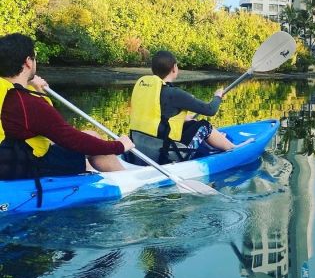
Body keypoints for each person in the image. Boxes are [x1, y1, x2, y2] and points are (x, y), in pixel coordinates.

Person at [0, 33, 134, 186]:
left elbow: (44, 126)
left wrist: (37, 88)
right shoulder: (26, 102)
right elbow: (70, 138)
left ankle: (97, 174)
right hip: (28, 166)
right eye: (34, 58)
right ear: (28, 62)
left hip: (12, 159)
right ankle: (128, 183)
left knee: (90, 135)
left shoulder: (12, 95)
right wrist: (119, 146)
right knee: (94, 146)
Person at [128, 50, 240, 164]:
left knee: (190, 123)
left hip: (139, 149)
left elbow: (157, 116)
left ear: (153, 69)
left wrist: (181, 118)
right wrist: (217, 97)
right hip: (163, 154)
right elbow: (210, 110)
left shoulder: (145, 90)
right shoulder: (174, 93)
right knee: (204, 126)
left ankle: (216, 143)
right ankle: (234, 149)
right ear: (174, 68)